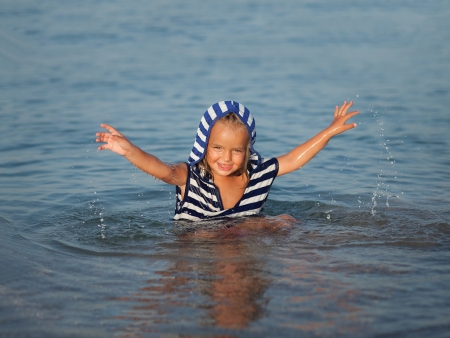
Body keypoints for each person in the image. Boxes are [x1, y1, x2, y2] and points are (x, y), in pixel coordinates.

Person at [96, 100, 358, 221]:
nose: (226, 157)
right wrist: (129, 150)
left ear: (248, 149)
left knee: (286, 222)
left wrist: (329, 130)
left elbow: (293, 159)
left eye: (236, 150)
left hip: (239, 243)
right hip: (197, 250)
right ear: (204, 145)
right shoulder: (192, 177)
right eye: (217, 147)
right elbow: (162, 170)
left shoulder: (257, 174)